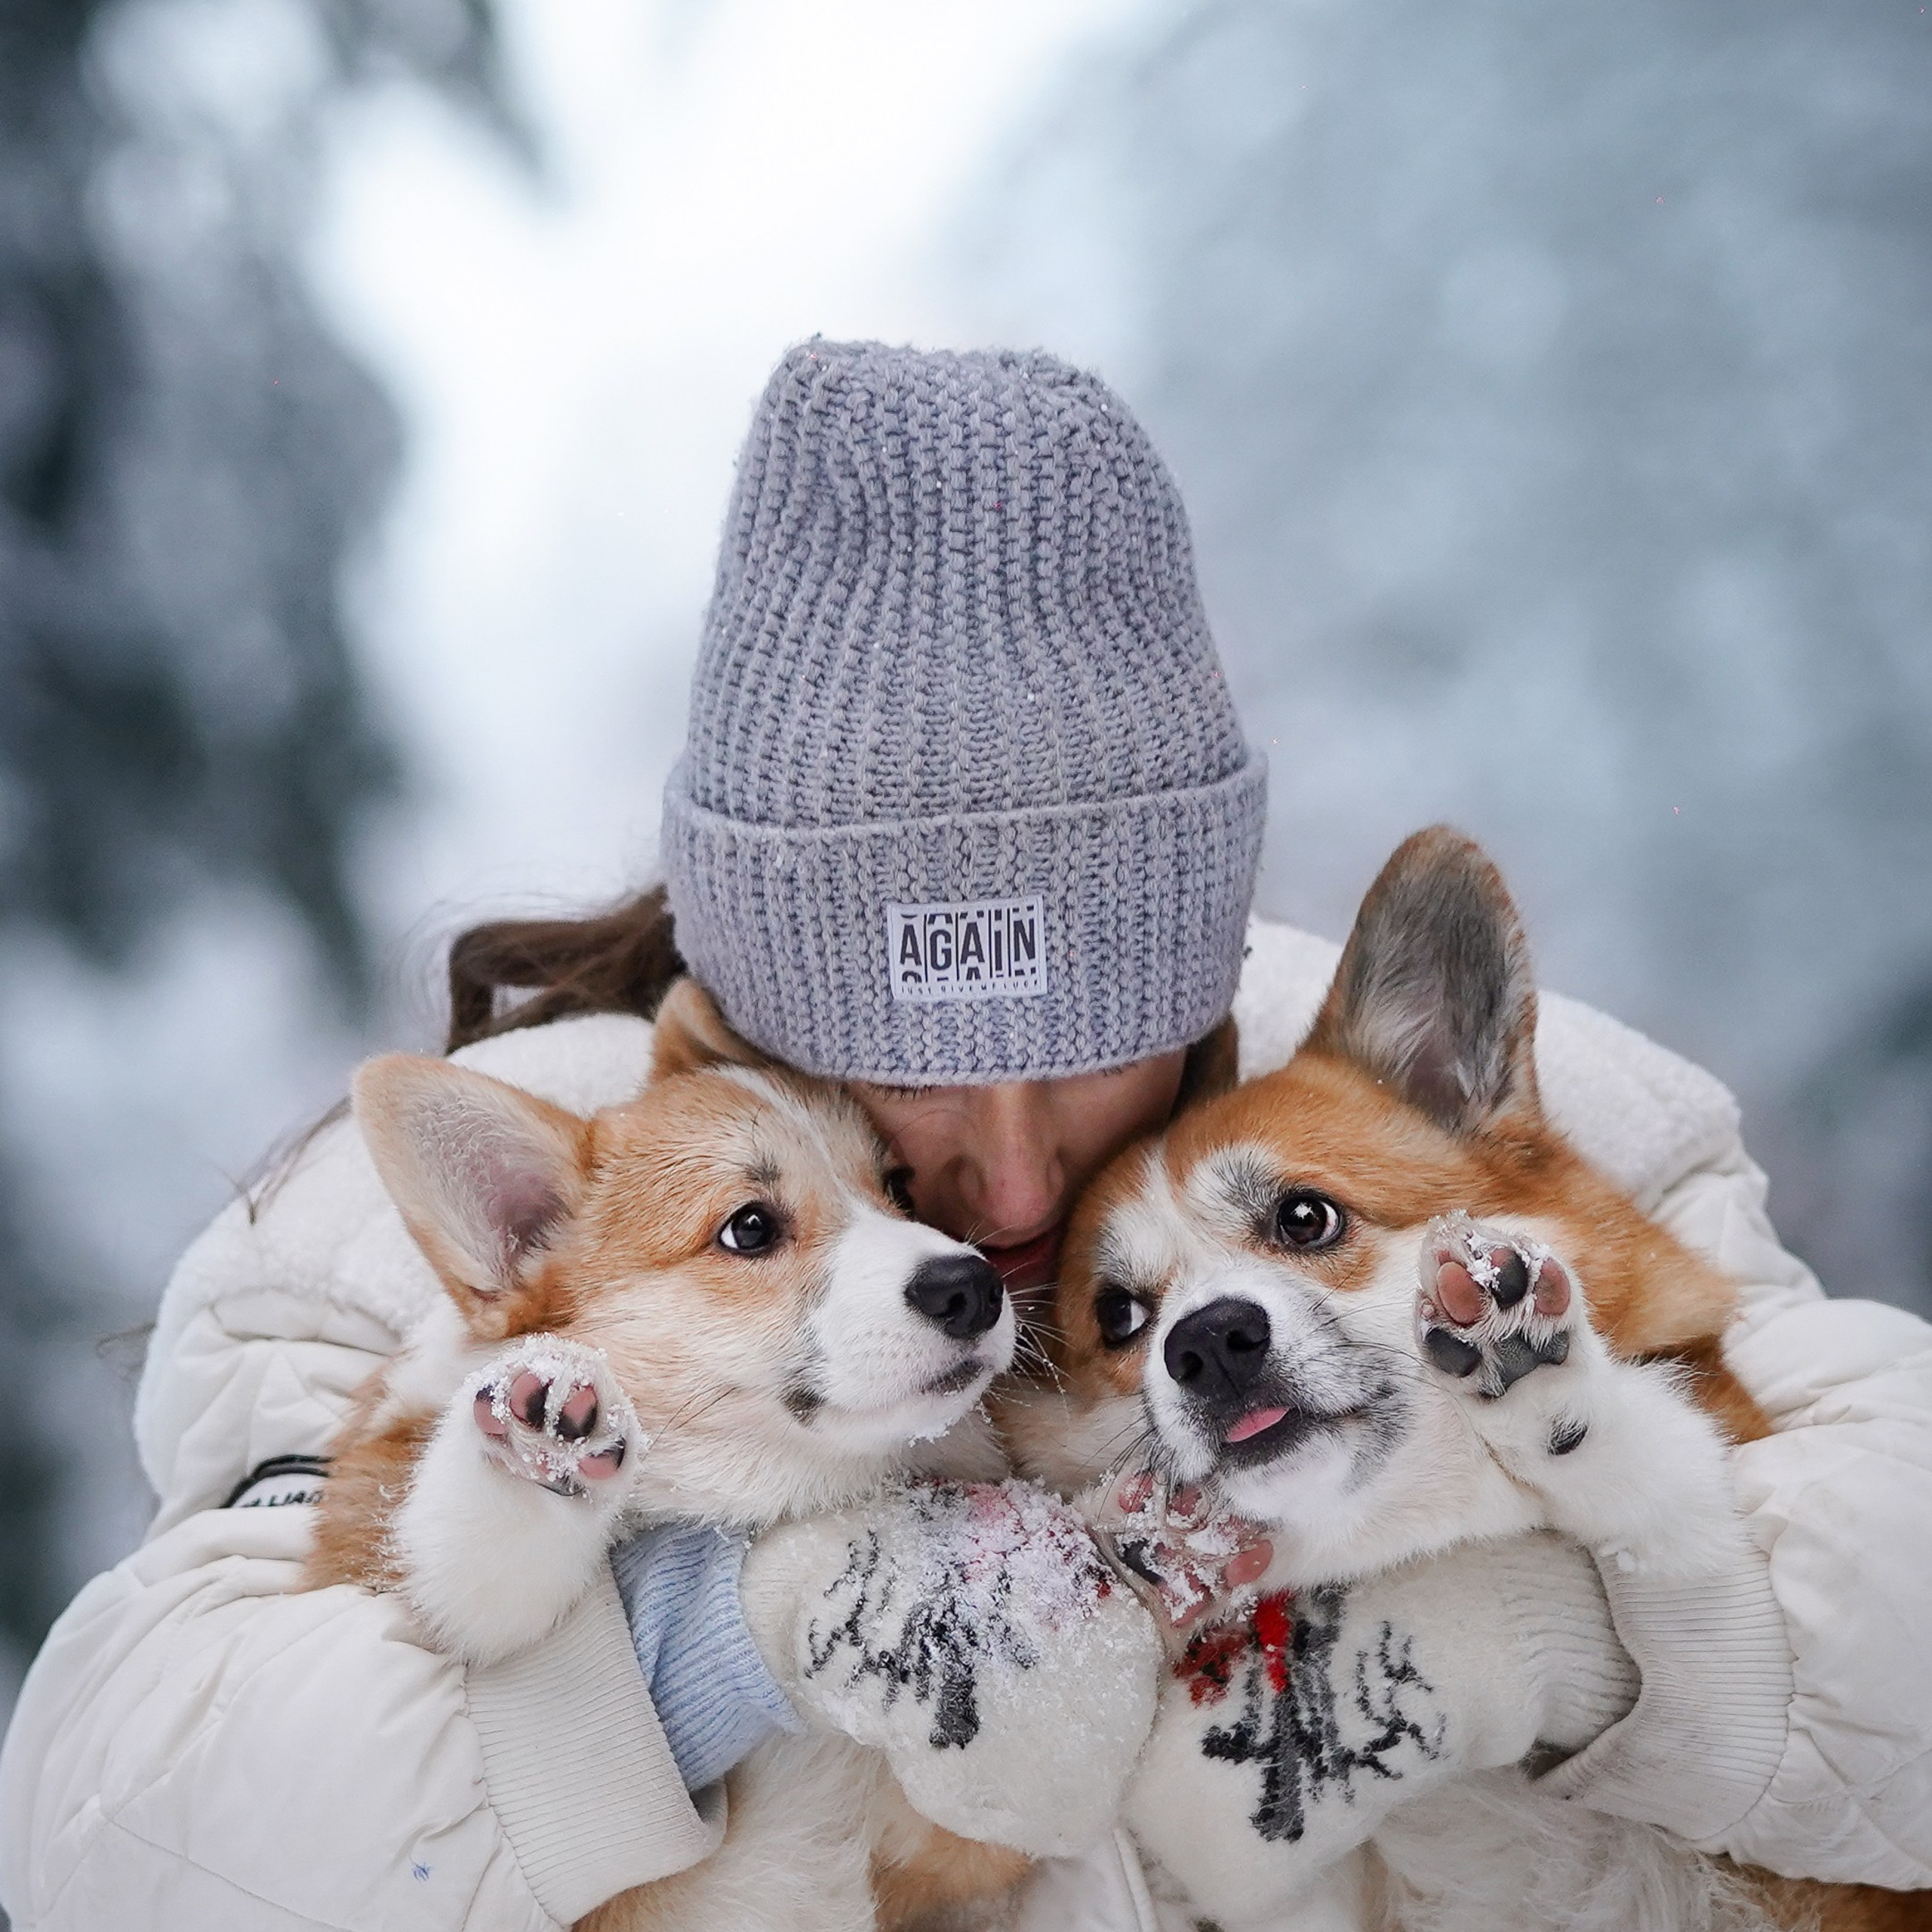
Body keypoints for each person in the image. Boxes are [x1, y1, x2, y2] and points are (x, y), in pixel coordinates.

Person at [2, 342, 1927, 1932]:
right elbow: (115, 1815)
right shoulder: (502, 1196)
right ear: (757, 982)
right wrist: (713, 1639)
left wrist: (1545, 1633)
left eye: (1091, 1049)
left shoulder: (1436, 1114)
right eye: (906, 1073)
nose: (1006, 1186)